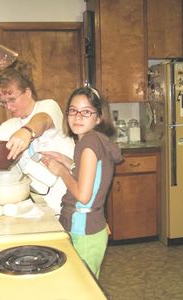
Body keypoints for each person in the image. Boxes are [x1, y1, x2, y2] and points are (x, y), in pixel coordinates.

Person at [0, 60, 75, 215]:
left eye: (12, 99)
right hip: (41, 204)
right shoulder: (12, 124)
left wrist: (27, 131)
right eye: (3, 103)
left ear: (27, 92)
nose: (8, 107)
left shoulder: (48, 106)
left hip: (69, 199)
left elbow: (42, 120)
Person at [41, 86, 123, 278]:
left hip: (83, 229)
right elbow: (92, 174)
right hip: (93, 226)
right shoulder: (97, 140)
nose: (78, 117)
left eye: (86, 112)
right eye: (73, 110)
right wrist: (66, 161)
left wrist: (60, 171)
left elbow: (84, 196)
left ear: (98, 117)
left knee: (82, 285)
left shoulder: (87, 145)